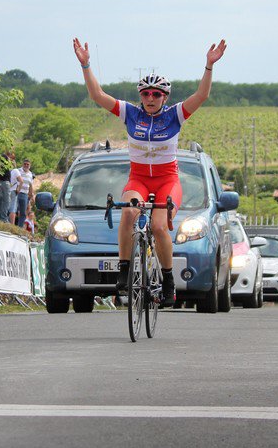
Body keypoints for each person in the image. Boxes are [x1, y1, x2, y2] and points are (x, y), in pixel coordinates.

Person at [73, 36, 227, 306]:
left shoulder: (174, 115)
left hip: (168, 181)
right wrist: (86, 66)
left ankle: (168, 281)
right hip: (139, 179)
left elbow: (202, 96)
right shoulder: (131, 114)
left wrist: (209, 66)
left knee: (158, 226)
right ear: (140, 97)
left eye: (156, 94)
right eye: (146, 93)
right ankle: (123, 270)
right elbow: (97, 96)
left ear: (165, 97)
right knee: (129, 213)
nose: (151, 98)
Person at [16, 159, 34, 229]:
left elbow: (31, 185)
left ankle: (19, 228)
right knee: (14, 210)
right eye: (25, 164)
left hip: (25, 194)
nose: (26, 165)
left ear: (30, 166)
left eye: (27, 164)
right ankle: (10, 225)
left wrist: (32, 195)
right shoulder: (18, 171)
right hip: (17, 192)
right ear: (22, 164)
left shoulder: (30, 174)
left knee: (23, 212)